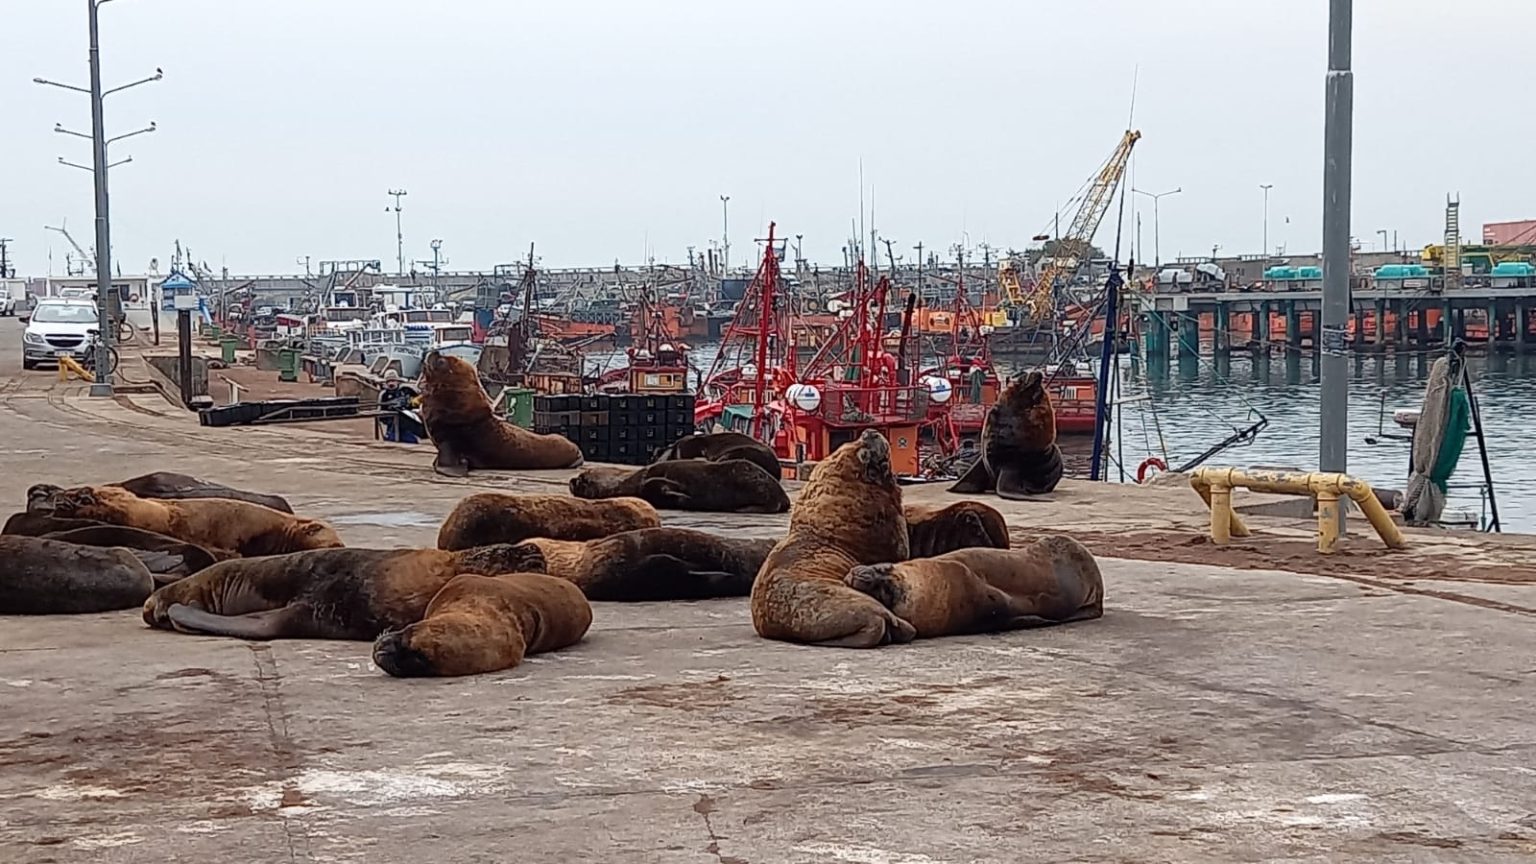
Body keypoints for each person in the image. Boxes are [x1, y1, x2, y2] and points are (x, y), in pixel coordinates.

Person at [377, 370, 421, 443]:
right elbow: (380, 415)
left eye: (393, 380)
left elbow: (419, 401)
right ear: (385, 383)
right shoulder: (383, 395)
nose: (391, 383)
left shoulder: (407, 390)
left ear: (398, 381)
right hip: (392, 426)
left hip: (407, 425)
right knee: (391, 442)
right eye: (388, 381)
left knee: (412, 442)